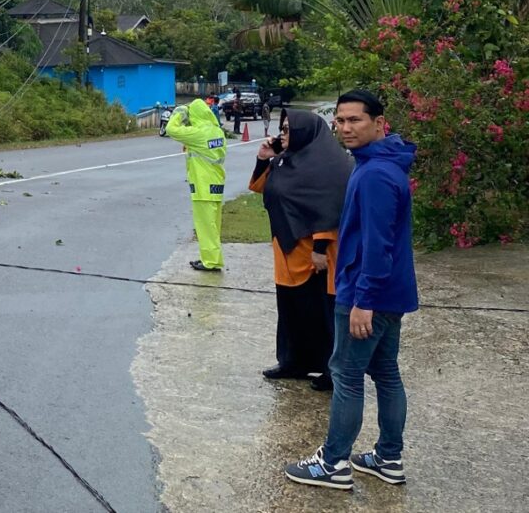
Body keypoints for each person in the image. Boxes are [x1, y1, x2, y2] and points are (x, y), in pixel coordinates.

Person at [284, 89, 419, 491]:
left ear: (379, 123)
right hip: (387, 292)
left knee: (346, 373)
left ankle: (332, 462)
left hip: (368, 293)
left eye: (355, 120)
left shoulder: (376, 174)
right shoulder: (379, 163)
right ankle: (388, 457)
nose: (345, 128)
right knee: (385, 371)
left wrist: (364, 300)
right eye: (340, 121)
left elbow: (378, 245)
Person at [249, 109, 352, 392]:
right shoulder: (285, 161)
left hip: (316, 256)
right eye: (281, 128)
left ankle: (331, 371)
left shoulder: (330, 165)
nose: (281, 134)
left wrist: (320, 248)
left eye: (287, 129)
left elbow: (329, 208)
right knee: (291, 310)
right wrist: (263, 159)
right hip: (287, 250)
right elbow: (261, 187)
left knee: (321, 312)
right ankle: (293, 362)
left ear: (305, 131)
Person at [163, 99, 227, 272]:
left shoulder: (199, 133)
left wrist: (179, 113)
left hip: (203, 184)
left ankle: (210, 262)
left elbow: (170, 129)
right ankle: (214, 258)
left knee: (205, 225)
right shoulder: (217, 131)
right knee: (213, 225)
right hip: (216, 182)